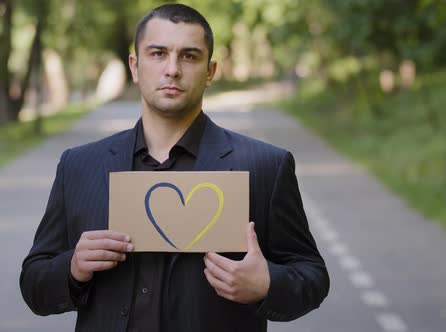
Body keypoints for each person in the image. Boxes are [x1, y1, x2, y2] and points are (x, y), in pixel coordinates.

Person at [20, 4, 329, 332]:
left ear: (210, 72)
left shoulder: (265, 166)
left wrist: (268, 284)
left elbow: (312, 276)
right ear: (135, 67)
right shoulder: (79, 166)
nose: (172, 69)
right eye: (158, 54)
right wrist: (73, 267)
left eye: (189, 56)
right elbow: (34, 283)